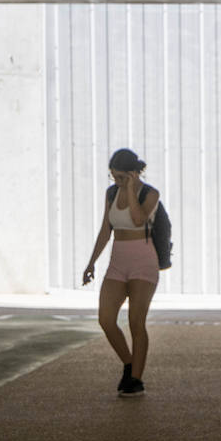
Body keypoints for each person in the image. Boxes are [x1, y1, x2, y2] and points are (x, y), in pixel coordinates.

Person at [81, 148, 160, 398]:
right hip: (118, 260)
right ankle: (129, 363)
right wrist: (92, 262)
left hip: (143, 260)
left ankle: (136, 378)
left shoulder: (150, 193)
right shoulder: (111, 193)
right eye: (113, 177)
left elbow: (137, 220)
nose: (116, 181)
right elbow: (106, 228)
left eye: (121, 177)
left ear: (134, 173)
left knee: (137, 322)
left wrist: (130, 188)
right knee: (106, 319)